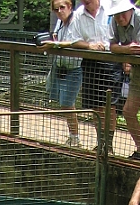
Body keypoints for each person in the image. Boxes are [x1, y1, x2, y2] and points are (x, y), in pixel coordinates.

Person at [110, 0, 140, 160]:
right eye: (116, 14)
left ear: (131, 10)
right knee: (128, 111)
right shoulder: (116, 21)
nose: (120, 17)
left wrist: (124, 52)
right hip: (138, 70)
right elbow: (113, 46)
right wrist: (125, 50)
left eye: (123, 13)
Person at [72, 0, 117, 150]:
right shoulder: (78, 14)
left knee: (109, 105)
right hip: (90, 62)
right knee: (95, 106)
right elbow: (74, 40)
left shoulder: (110, 6)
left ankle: (108, 144)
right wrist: (89, 45)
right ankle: (100, 143)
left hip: (111, 60)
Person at [46, 0, 85, 146]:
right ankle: (72, 135)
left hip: (74, 67)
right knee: (64, 104)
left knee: (67, 103)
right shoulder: (60, 22)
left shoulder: (76, 20)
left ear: (69, 7)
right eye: (56, 9)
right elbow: (57, 37)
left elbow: (74, 42)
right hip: (60, 66)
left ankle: (75, 137)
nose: (59, 11)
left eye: (62, 8)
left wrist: (55, 44)